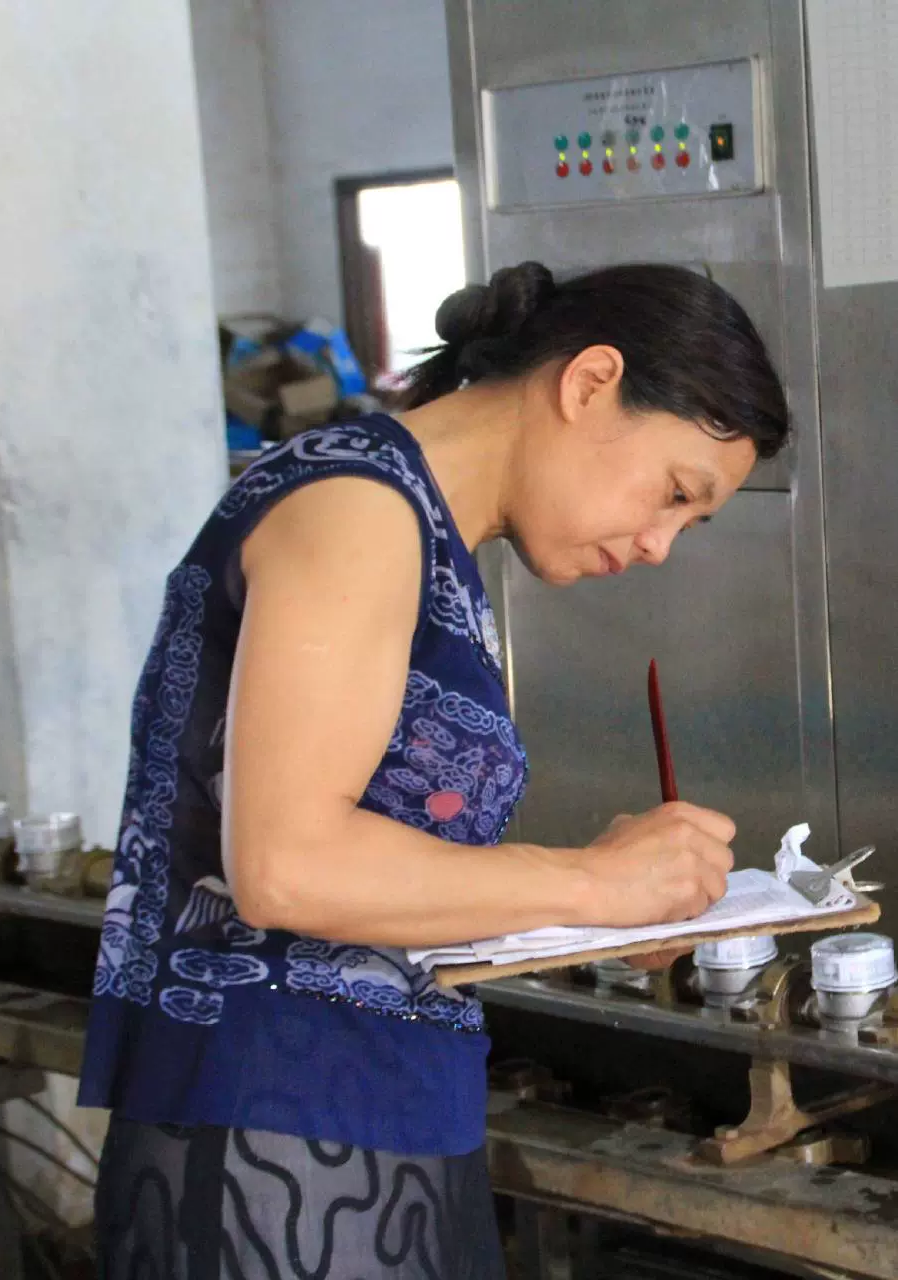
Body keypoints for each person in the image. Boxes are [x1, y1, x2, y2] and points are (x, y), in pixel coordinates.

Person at [80, 262, 791, 1280]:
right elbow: (288, 866)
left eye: (692, 520)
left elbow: (374, 867)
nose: (659, 544)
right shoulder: (356, 508)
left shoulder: (417, 525)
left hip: (366, 1115)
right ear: (590, 383)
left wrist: (608, 906)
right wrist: (590, 882)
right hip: (275, 1139)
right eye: (675, 492)